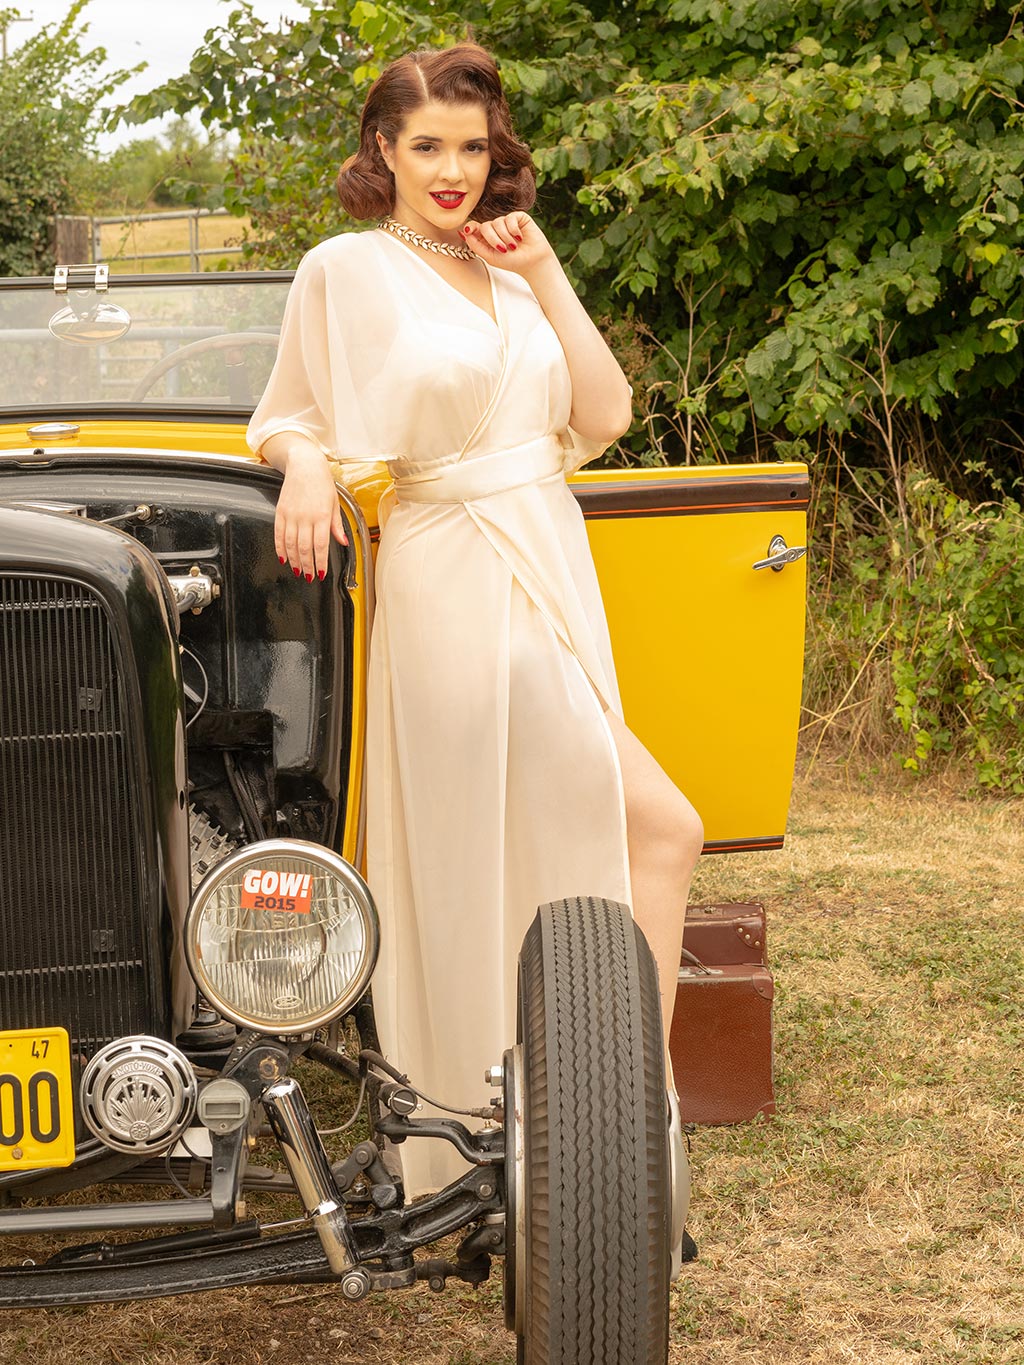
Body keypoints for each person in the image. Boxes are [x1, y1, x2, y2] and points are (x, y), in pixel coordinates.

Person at [246, 41, 704, 1197]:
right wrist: (308, 468)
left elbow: (604, 411)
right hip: (452, 573)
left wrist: (543, 268)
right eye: (426, 147)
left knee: (599, 834)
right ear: (383, 150)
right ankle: (582, 1124)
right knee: (649, 827)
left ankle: (604, 1118)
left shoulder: (508, 266)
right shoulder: (347, 268)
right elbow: (285, 413)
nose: (453, 171)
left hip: (545, 556)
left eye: (471, 146)